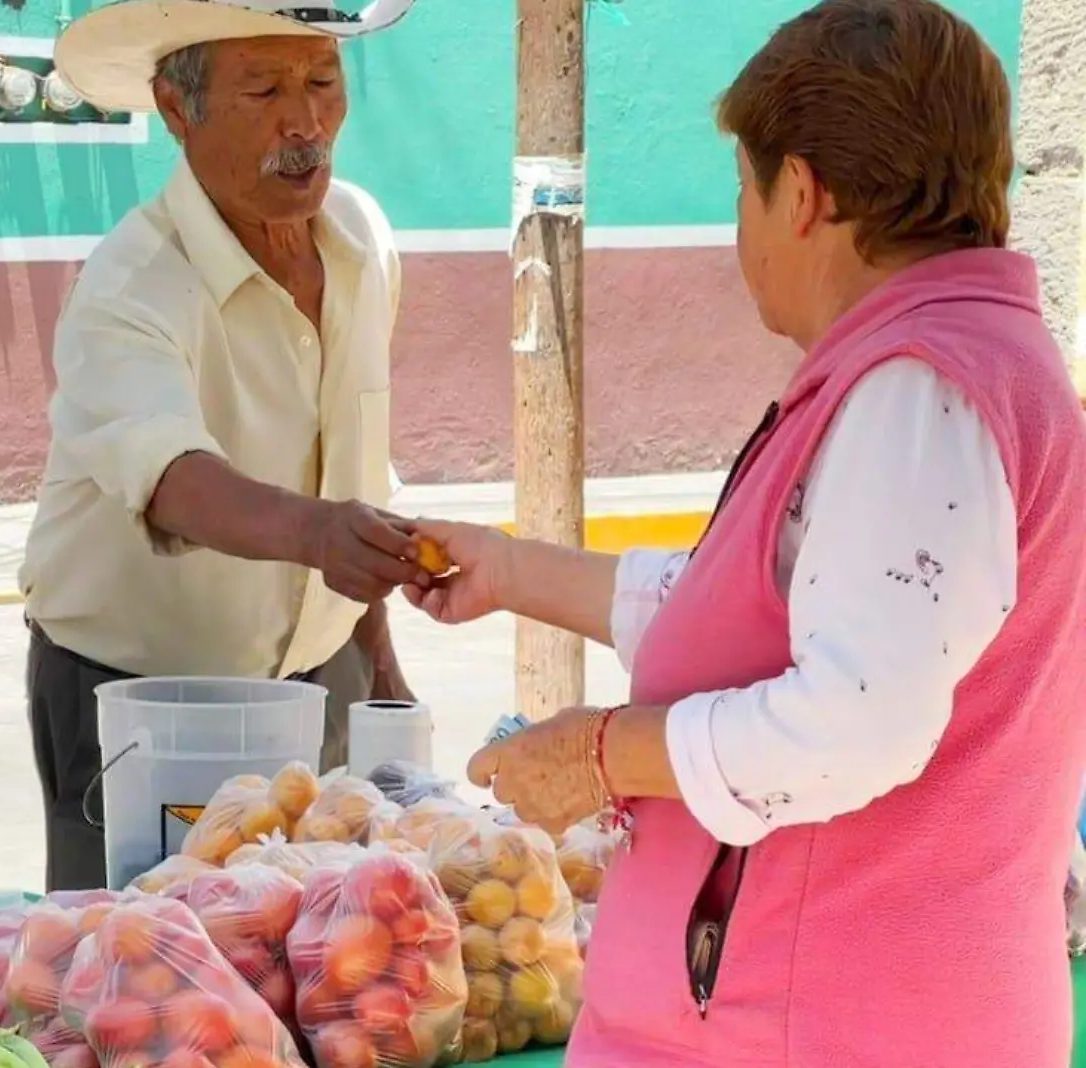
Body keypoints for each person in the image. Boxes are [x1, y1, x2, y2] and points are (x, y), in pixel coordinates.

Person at [405, 2, 1086, 1065]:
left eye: (744, 188)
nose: (740, 225)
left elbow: (853, 720)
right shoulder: (940, 369)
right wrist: (510, 572)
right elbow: (755, 596)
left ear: (802, 194)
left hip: (825, 1024)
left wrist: (601, 754)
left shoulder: (920, 391)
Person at [23, 0, 424, 891]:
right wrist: (323, 534)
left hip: (323, 678)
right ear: (177, 107)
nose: (305, 122)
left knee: (324, 956)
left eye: (323, 82)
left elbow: (349, 467)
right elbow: (177, 481)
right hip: (138, 696)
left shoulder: (363, 243)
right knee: (140, 973)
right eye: (265, 89)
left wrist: (380, 662)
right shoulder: (130, 282)